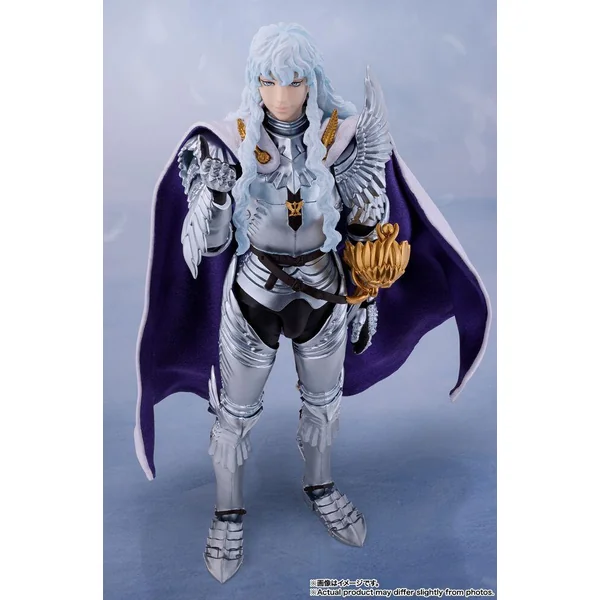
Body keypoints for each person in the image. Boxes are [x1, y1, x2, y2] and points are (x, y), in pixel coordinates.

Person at [134, 22, 491, 583]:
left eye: (294, 81)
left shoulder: (340, 139)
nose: (282, 95)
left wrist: (366, 287)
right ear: (255, 81)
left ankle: (321, 486)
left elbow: (363, 220)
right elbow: (213, 245)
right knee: (233, 415)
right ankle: (227, 514)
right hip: (255, 291)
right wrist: (220, 193)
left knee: (324, 405)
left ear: (312, 81)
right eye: (270, 81)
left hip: (324, 289)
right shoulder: (227, 142)